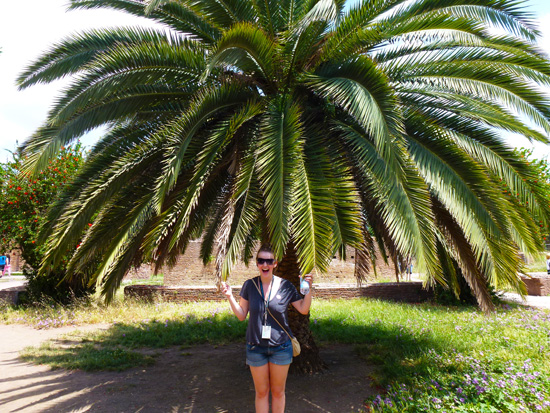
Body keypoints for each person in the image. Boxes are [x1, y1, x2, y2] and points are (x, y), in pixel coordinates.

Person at [221, 244, 313, 413]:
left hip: (281, 347)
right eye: (261, 261)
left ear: (275, 264)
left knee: (278, 392)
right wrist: (229, 297)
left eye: (269, 261)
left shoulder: (285, 286)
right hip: (256, 347)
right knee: (261, 393)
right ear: (257, 263)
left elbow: (303, 309)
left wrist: (308, 290)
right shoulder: (249, 285)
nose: (265, 265)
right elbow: (241, 315)